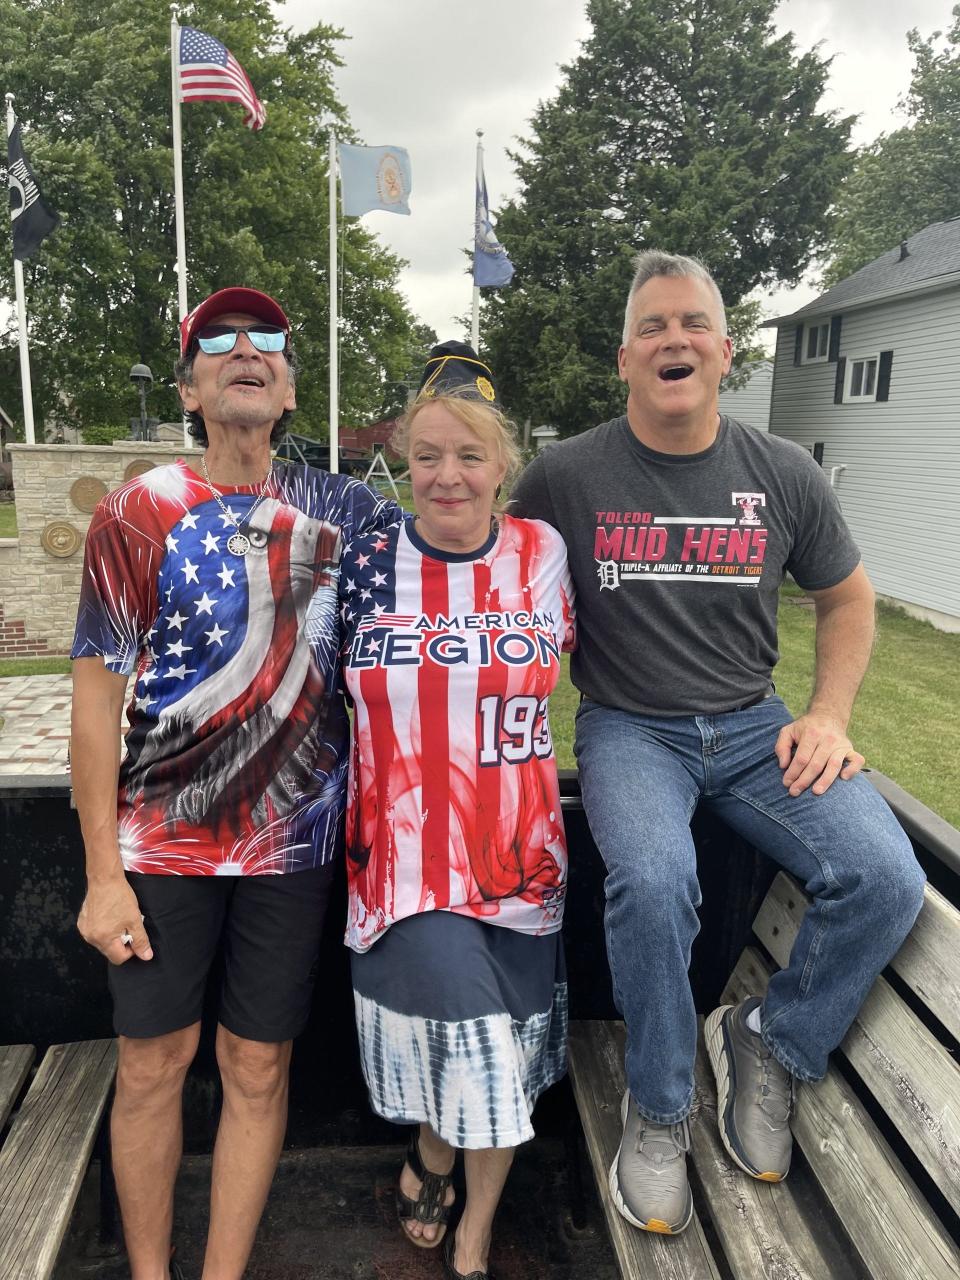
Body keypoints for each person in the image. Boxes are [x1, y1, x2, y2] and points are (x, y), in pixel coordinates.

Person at [510, 251, 926, 1236]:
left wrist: (827, 716)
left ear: (726, 351)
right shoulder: (564, 475)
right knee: (654, 879)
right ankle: (659, 1112)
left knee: (883, 875)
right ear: (624, 357)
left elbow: (848, 597)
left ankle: (771, 1041)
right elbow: (500, 590)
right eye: (653, 326)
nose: (674, 340)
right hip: (631, 726)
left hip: (753, 726)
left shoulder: (782, 471)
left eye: (692, 323)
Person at [71, 287, 397, 1280]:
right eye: (219, 339)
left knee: (258, 1066)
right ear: (191, 387)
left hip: (293, 849)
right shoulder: (138, 511)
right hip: (159, 842)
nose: (246, 349)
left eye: (268, 341)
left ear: (291, 386)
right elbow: (95, 706)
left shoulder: (347, 510)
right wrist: (99, 875)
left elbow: (459, 553)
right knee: (153, 1066)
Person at [340, 342, 576, 1279]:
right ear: (403, 457)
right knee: (480, 1051)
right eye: (428, 454)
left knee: (500, 1066)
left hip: (521, 862)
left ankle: (438, 1160)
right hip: (403, 869)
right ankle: (475, 1245)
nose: (447, 475)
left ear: (502, 466)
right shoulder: (361, 564)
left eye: (468, 455)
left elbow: (622, 661)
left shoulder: (543, 553)